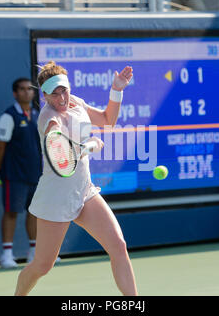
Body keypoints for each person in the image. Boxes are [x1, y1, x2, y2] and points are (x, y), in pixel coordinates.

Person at [14, 61, 138, 296]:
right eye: (54, 94)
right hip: (56, 198)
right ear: (45, 95)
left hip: (84, 191)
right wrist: (89, 146)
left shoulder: (76, 102)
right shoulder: (49, 119)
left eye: (64, 90)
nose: (61, 98)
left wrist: (117, 90)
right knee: (42, 266)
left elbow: (107, 120)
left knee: (118, 246)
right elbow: (61, 151)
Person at [0, 78, 50, 268]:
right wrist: (2, 172)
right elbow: (0, 147)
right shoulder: (8, 117)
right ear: (15, 93)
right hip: (13, 176)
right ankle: (7, 255)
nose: (27, 92)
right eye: (22, 89)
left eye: (30, 89)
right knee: (11, 213)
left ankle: (33, 252)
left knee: (34, 213)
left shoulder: (36, 115)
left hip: (35, 174)